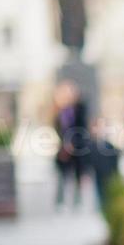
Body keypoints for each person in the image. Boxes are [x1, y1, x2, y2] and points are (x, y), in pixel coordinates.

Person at [53, 81, 90, 210]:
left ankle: (77, 201)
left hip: (77, 148)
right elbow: (58, 130)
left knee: (77, 174)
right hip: (63, 149)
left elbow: (82, 129)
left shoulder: (79, 109)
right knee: (61, 175)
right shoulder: (59, 111)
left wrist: (73, 144)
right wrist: (64, 145)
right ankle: (60, 202)